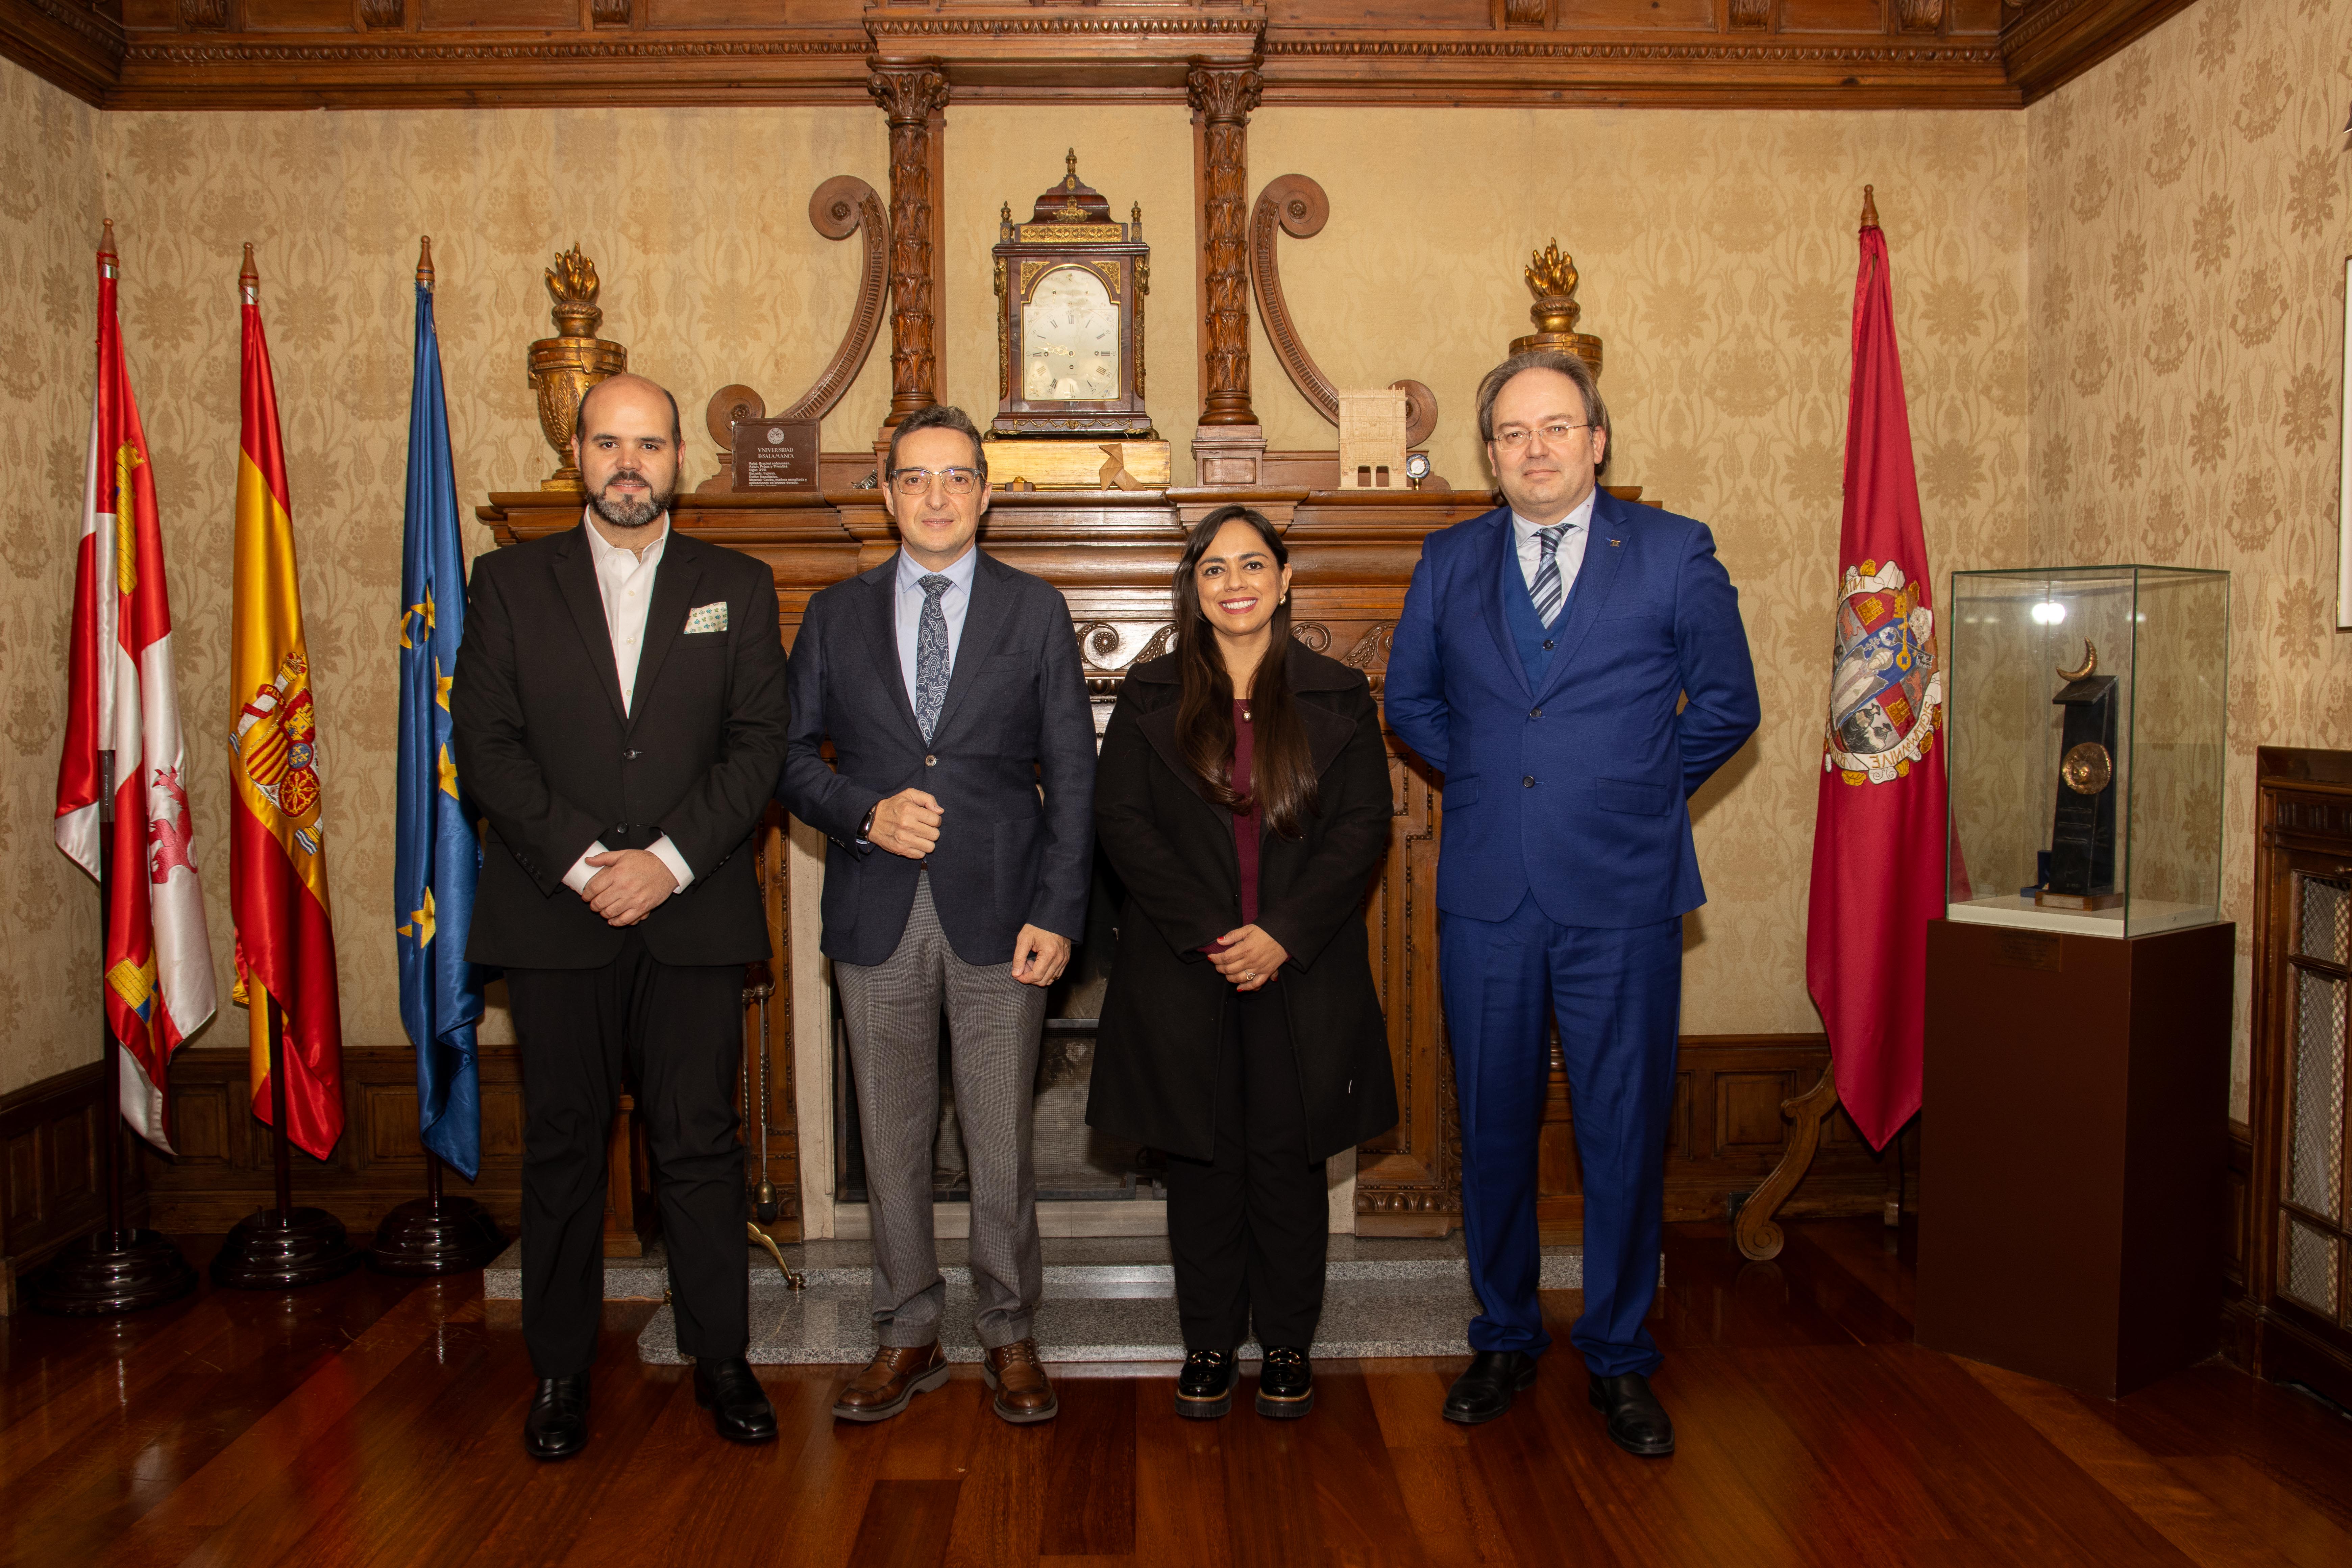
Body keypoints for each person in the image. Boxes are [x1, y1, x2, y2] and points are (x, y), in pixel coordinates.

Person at [1385, 348, 1760, 1454]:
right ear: (1490, 455)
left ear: (1597, 441)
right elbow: (1412, 699)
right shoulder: (1449, 560)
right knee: (1493, 1125)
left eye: (1556, 428)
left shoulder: (1675, 552)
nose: (1535, 449)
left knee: (1622, 1131)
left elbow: (1730, 706)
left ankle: (1621, 1357)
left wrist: (1637, 790)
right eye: (1512, 434)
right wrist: (1505, 784)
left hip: (1626, 892)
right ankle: (1502, 1336)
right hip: (1491, 891)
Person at [451, 372, 791, 1460]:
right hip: (559, 913)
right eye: (609, 443)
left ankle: (722, 1358)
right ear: (580, 455)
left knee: (700, 1145)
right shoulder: (506, 583)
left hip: (692, 915)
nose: (629, 463)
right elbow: (486, 746)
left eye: (649, 444)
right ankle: (558, 1373)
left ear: (679, 459)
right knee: (562, 1149)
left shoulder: (736, 584)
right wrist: (596, 864)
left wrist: (671, 863)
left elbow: (759, 747)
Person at [776, 403, 1095, 1426]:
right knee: (892, 1136)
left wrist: (1060, 908)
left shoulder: (1034, 610)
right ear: (886, 493)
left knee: (1000, 1140)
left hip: (1005, 916)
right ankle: (907, 1330)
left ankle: (1009, 1332)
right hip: (876, 910)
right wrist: (862, 811)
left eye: (957, 477)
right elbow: (784, 760)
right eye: (915, 478)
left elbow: (1075, 777)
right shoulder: (834, 615)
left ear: (986, 493)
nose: (937, 496)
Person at [1088, 505, 1399, 1421]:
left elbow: (1362, 832)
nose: (1236, 584)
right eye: (1216, 569)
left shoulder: (1340, 694)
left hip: (1301, 968)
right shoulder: (1148, 697)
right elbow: (1123, 828)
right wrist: (1219, 933)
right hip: (1188, 967)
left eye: (1253, 566)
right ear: (1196, 587)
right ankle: (1210, 1345)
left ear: (1285, 580)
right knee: (1204, 1161)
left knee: (1289, 1161)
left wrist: (1282, 934)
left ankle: (1290, 1344)